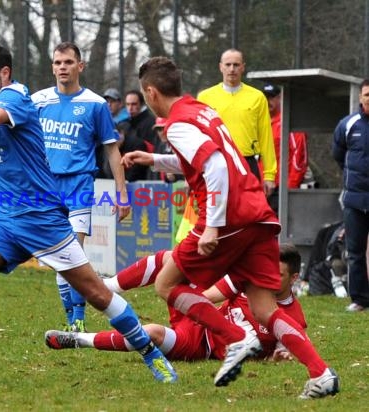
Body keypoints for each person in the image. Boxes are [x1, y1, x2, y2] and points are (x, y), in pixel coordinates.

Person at [0, 42, 177, 383]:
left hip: (42, 221)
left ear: (5, 73)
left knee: (98, 295)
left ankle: (151, 353)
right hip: (5, 221)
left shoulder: (15, 97)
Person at [121, 56, 338, 398]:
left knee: (166, 284)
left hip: (230, 218)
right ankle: (321, 373)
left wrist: (213, 227)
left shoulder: (178, 123)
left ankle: (238, 339)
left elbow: (217, 166)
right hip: (257, 213)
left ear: (150, 92)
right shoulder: (202, 109)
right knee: (264, 308)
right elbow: (207, 157)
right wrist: (156, 160)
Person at [45, 244, 306, 364]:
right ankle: (107, 287)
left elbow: (287, 349)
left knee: (152, 334)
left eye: (277, 275)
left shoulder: (293, 317)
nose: (267, 277)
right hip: (200, 319)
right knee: (173, 258)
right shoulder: (249, 282)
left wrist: (280, 356)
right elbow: (208, 296)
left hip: (199, 346)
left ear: (294, 278)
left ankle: (79, 339)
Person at [31, 42, 131, 332]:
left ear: (80, 66)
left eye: (68, 62)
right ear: (52, 66)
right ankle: (73, 317)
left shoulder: (96, 104)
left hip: (78, 186)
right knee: (58, 258)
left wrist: (121, 193)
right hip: (45, 187)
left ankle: (77, 321)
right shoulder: (38, 101)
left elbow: (112, 151)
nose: (63, 67)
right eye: (58, 62)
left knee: (71, 253)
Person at [197, 49, 276, 197]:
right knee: (217, 214)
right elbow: (197, 137)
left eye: (236, 64)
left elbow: (266, 138)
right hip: (216, 162)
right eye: (228, 64)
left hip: (247, 162)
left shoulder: (257, 97)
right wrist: (193, 175)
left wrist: (269, 175)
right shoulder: (205, 97)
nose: (232, 69)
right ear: (221, 67)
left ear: (243, 67)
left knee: (248, 214)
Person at [332, 78, 369, 312]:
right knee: (355, 252)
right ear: (361, 97)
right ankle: (360, 299)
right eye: (367, 94)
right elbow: (339, 155)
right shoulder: (348, 124)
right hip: (355, 200)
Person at [262, 84, 308, 213]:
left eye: (271, 98)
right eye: (265, 98)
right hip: (259, 190)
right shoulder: (258, 122)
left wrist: (288, 188)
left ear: (280, 98)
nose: (268, 101)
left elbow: (299, 158)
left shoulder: (289, 123)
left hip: (279, 189)